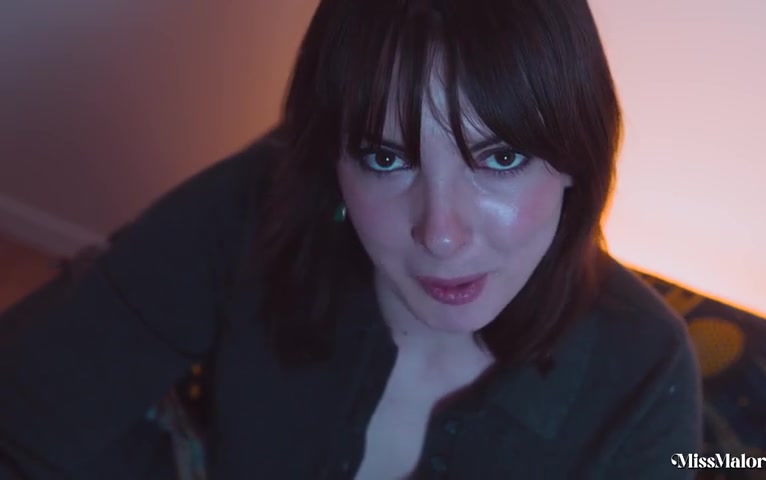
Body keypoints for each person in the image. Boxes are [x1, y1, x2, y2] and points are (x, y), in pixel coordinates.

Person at [0, 0, 702, 478]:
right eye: (386, 159)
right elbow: (27, 410)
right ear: (329, 161)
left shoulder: (642, 372)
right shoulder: (257, 208)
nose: (441, 234)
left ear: (578, 156)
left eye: (501, 157)